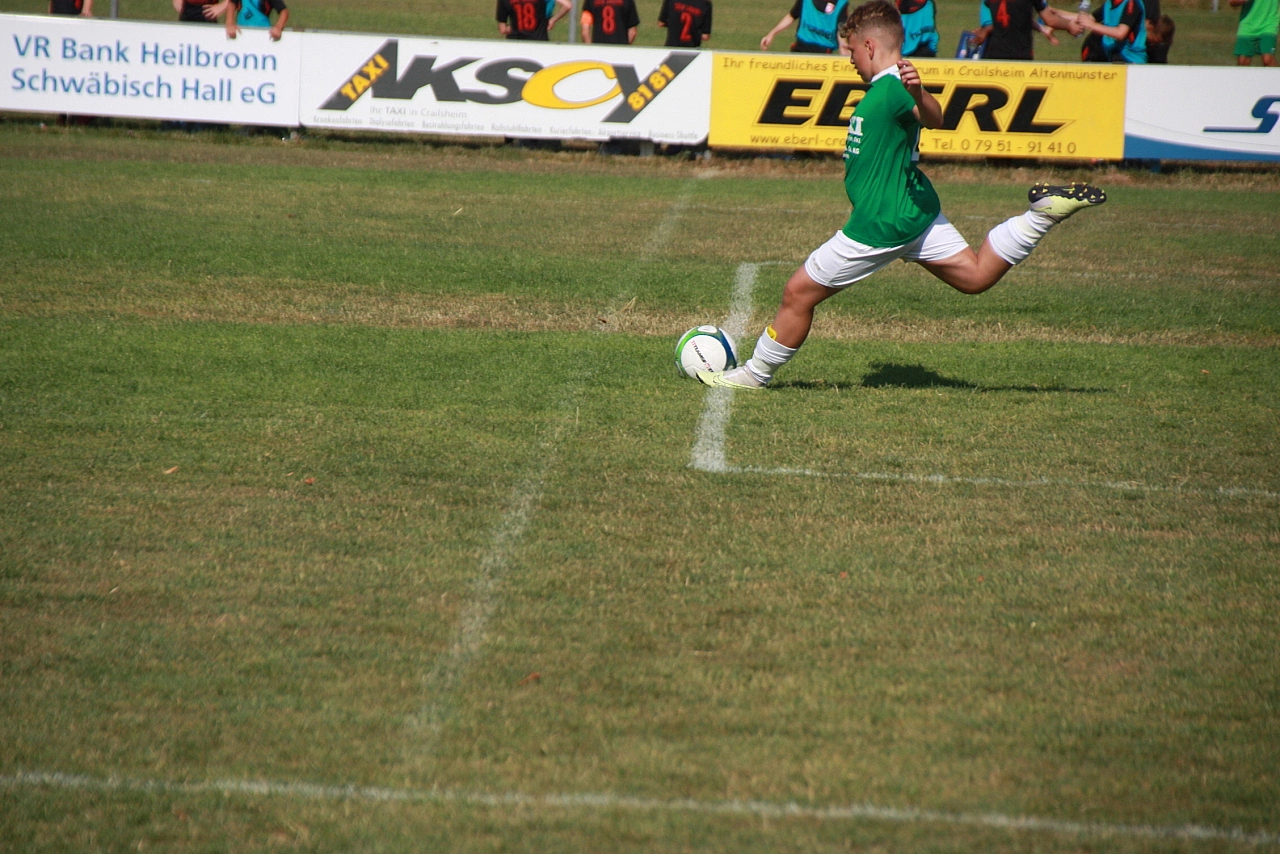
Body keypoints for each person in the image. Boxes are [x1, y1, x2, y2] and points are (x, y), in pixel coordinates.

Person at [696, 0, 1106, 392]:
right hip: (913, 210)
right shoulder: (889, 86)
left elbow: (934, 117)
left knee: (797, 293)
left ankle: (754, 376)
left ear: (869, 46)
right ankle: (1041, 215)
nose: (849, 59)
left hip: (882, 221)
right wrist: (916, 93)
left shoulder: (894, 86)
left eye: (852, 50)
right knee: (976, 276)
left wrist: (919, 93)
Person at [973, 0, 1081, 59]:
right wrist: (1069, 26)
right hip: (1021, 52)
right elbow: (1050, 20)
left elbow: (1003, 19)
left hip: (995, 53)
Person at [761, 0, 851, 54]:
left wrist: (844, 48)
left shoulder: (841, 4)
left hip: (823, 55)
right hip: (801, 49)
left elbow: (841, 30)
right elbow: (792, 15)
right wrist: (772, 34)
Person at [1078, 0, 1147, 62]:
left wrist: (1092, 25)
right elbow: (1089, 19)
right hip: (1113, 56)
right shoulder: (1109, 3)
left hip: (1131, 59)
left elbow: (1120, 33)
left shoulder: (1132, 3)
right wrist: (1072, 19)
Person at [1229, 0, 1277, 66]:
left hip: (1268, 23)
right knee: (1242, 62)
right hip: (1247, 24)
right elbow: (1232, 2)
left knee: (1268, 59)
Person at [497, 0, 571, 40]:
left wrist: (515, 26)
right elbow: (567, 5)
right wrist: (552, 20)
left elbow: (503, 29)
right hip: (538, 41)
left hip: (516, 42)